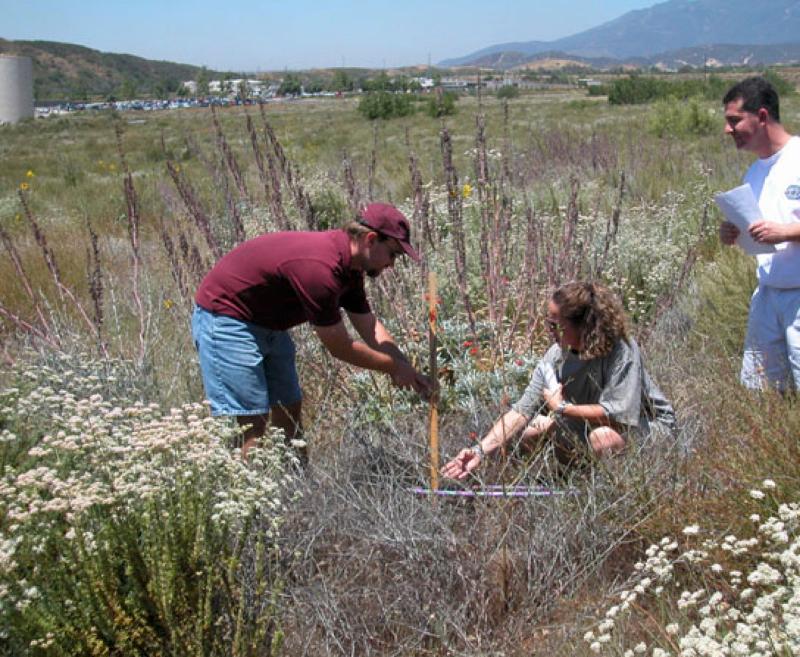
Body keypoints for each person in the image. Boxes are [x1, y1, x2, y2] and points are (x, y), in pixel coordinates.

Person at [192, 202, 432, 459]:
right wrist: (393, 368)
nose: (392, 265)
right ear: (371, 240)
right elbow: (340, 347)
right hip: (227, 320)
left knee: (289, 408)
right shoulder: (321, 270)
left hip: (269, 324)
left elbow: (369, 326)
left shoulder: (351, 268)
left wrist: (406, 367)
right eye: (393, 254)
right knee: (253, 424)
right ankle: (251, 492)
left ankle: (298, 488)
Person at [442, 282, 675, 480]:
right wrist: (479, 451)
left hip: (643, 429)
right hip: (588, 425)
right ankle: (571, 481)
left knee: (602, 438)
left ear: (585, 325)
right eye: (548, 323)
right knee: (529, 432)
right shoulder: (555, 355)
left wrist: (564, 408)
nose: (549, 331)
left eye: (556, 326)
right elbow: (521, 411)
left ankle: (614, 496)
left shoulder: (621, 350)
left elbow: (618, 415)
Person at [719, 76, 800, 392]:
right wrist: (734, 232)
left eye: (735, 121)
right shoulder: (754, 172)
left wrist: (786, 232)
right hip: (767, 293)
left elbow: (779, 230)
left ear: (762, 116)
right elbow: (758, 229)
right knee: (763, 391)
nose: (728, 130)